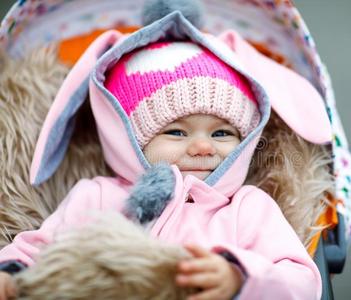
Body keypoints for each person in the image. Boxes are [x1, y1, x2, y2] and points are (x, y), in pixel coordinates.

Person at [0, 10, 332, 300]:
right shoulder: (98, 195)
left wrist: (238, 278)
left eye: (222, 133)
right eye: (176, 132)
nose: (203, 147)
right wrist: (12, 274)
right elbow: (40, 248)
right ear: (129, 140)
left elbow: (301, 282)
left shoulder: (248, 207)